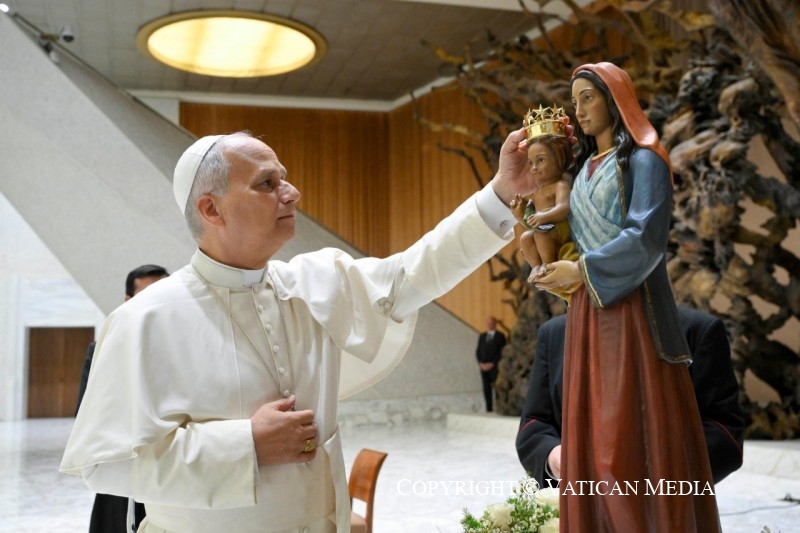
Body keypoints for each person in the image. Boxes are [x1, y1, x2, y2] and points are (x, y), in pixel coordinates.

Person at [60, 126, 561, 532]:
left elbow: (412, 274)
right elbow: (103, 465)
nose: (292, 192)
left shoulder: (315, 281)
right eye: (267, 183)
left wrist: (501, 192)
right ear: (211, 209)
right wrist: (245, 445)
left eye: (284, 178)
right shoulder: (144, 320)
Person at [533, 62, 721, 530]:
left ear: (615, 98)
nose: (579, 110)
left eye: (588, 97)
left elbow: (646, 237)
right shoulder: (582, 172)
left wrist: (582, 270)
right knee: (593, 434)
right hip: (587, 310)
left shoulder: (644, 159)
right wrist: (554, 266)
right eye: (574, 101)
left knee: (625, 438)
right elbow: (572, 236)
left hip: (631, 312)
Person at [516, 307, 744, 490]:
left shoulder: (696, 330)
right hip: (578, 499)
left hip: (667, 506)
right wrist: (553, 456)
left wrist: (654, 470)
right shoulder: (556, 333)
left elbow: (724, 432)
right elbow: (535, 423)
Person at [75, 264, 169, 533]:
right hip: (125, 473)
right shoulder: (104, 349)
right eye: (148, 295)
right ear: (128, 301)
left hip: (176, 471)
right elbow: (86, 416)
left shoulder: (190, 345)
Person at [510, 105, 574, 282]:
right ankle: (536, 266)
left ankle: (548, 264)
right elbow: (531, 219)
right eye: (531, 163)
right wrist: (521, 213)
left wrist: (543, 217)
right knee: (526, 237)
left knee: (540, 233)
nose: (534, 168)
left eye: (540, 160)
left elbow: (564, 208)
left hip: (560, 228)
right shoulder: (537, 191)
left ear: (559, 157)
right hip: (544, 228)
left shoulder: (560, 185)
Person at [475, 316, 507, 412]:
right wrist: (480, 363)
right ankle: (489, 409)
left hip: (495, 367)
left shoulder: (500, 336)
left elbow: (502, 352)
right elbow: (478, 351)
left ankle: (499, 408)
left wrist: (492, 364)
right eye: (488, 323)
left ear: (495, 324)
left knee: (498, 388)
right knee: (486, 389)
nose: (489, 325)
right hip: (483, 367)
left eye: (491, 323)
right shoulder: (482, 336)